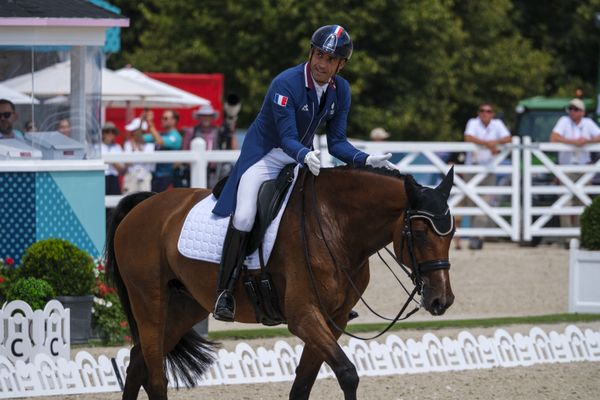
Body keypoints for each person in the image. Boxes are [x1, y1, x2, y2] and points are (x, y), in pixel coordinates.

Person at [211, 25, 395, 321]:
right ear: (311, 52)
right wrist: (305, 154)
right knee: (245, 215)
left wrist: (366, 159)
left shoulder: (340, 90)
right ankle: (225, 292)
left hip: (300, 159)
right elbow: (285, 138)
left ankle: (329, 294)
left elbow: (336, 143)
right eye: (319, 54)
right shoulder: (286, 83)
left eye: (330, 59)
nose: (322, 63)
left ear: (341, 64)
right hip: (265, 157)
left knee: (321, 213)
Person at [463, 103, 512, 250]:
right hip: (472, 168)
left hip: (488, 169)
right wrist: (488, 144)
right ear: (479, 113)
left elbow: (509, 138)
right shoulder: (473, 122)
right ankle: (475, 235)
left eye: (488, 111)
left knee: (484, 204)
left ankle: (477, 236)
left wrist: (493, 143)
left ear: (492, 113)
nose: (485, 113)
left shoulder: (497, 124)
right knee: (472, 204)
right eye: (483, 111)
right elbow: (468, 138)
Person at [550, 98, 600, 228]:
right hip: (566, 168)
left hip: (584, 168)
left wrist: (586, 141)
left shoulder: (588, 123)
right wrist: (574, 142)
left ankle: (580, 234)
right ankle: (567, 236)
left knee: (582, 203)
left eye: (576, 109)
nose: (572, 111)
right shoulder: (564, 121)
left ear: (583, 112)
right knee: (565, 202)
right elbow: (553, 138)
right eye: (571, 109)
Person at [142, 109, 183, 192]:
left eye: (165, 118)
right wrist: (141, 121)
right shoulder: (160, 134)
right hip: (156, 176)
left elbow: (160, 141)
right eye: (162, 118)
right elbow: (140, 139)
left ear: (174, 121)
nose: (162, 120)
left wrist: (150, 123)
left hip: (169, 178)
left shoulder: (176, 136)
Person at [122, 115, 155, 194]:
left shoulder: (150, 145)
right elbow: (127, 162)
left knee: (145, 202)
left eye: (134, 131)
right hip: (131, 175)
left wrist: (137, 148)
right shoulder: (127, 144)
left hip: (145, 176)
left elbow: (147, 160)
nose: (132, 134)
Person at [100, 122, 126, 195]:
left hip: (114, 179)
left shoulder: (118, 147)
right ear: (103, 133)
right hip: (102, 177)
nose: (110, 134)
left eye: (113, 132)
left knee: (115, 204)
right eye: (107, 131)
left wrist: (111, 161)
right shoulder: (97, 147)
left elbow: (122, 170)